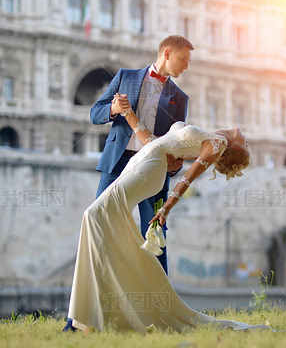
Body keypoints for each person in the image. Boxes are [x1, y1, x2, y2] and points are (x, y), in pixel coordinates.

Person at [67, 103, 273, 332]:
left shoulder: (219, 143)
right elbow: (154, 140)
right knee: (100, 219)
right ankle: (99, 312)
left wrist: (166, 208)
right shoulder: (210, 136)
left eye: (246, 143)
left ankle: (94, 311)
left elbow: (188, 178)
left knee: (94, 215)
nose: (246, 138)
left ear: (235, 147)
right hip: (143, 159)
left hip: (150, 168)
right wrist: (128, 114)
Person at [90, 34, 193, 273]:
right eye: (184, 59)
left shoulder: (180, 98)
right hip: (116, 162)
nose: (187, 66)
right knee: (100, 221)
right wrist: (114, 109)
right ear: (167, 53)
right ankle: (95, 287)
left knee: (156, 230)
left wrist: (174, 166)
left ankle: (160, 299)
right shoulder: (125, 76)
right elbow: (95, 113)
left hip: (153, 166)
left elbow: (174, 144)